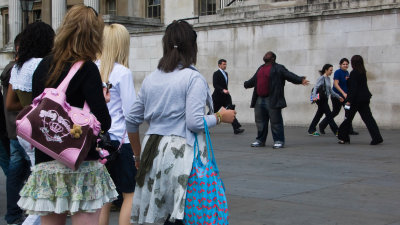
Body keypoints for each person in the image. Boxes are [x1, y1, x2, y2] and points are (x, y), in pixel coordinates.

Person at [125, 20, 236, 224]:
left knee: (159, 214)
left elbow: (132, 120)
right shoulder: (193, 78)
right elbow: (194, 122)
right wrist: (221, 117)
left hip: (153, 151)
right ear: (192, 47)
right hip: (182, 152)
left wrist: (137, 154)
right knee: (183, 214)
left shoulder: (151, 79)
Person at [17, 5, 118, 225]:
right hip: (80, 161)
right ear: (93, 36)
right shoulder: (88, 68)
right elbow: (103, 122)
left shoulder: (43, 65)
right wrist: (102, 102)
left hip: (47, 161)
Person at [96, 24, 137, 225]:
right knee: (129, 194)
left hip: (96, 141)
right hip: (120, 141)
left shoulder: (91, 68)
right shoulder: (122, 72)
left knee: (104, 197)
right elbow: (131, 114)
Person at [6, 21, 55, 165]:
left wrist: (27, 106)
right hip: (44, 129)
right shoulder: (46, 65)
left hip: (24, 128)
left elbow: (9, 104)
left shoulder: (18, 67)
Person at [244, 51, 309, 149]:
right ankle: (260, 140)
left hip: (272, 98)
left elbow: (288, 75)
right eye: (265, 54)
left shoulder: (278, 68)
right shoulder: (261, 68)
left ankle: (279, 141)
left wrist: (300, 80)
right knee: (260, 122)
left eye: (268, 54)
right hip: (259, 99)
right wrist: (246, 84)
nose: (265, 55)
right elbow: (254, 79)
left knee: (276, 121)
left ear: (273, 58)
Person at [1, 33, 32, 225]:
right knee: (30, 171)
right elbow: (13, 103)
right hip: (23, 129)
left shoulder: (9, 69)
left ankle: (14, 214)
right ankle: (29, 212)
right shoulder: (18, 69)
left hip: (13, 129)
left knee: (14, 172)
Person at [337, 55, 383, 145]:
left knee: (348, 118)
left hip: (355, 100)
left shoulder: (354, 73)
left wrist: (349, 100)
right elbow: (360, 85)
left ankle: (343, 137)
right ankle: (377, 137)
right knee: (369, 119)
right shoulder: (362, 72)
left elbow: (354, 88)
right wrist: (349, 80)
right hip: (364, 99)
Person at [319, 58, 359, 135]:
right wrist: (343, 93)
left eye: (347, 64)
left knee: (348, 111)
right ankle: (322, 125)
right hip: (337, 97)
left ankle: (349, 129)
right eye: (343, 64)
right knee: (335, 112)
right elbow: (335, 84)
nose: (345, 65)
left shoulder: (347, 73)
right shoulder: (338, 72)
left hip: (345, 97)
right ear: (340, 65)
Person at [308, 64, 344, 136]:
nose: (331, 72)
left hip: (325, 99)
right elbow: (315, 88)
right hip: (321, 100)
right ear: (326, 70)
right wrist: (314, 96)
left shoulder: (328, 79)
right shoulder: (321, 78)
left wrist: (338, 97)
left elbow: (330, 91)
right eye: (330, 70)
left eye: (332, 70)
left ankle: (311, 129)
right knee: (329, 115)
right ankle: (336, 131)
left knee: (319, 114)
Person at [212, 59, 244, 134]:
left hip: (226, 97)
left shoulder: (226, 73)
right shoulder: (216, 73)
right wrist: (222, 90)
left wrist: (225, 91)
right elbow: (215, 85)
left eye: (225, 64)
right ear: (219, 65)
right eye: (223, 64)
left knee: (230, 111)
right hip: (218, 97)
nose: (225, 66)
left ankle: (236, 128)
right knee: (212, 111)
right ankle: (203, 126)